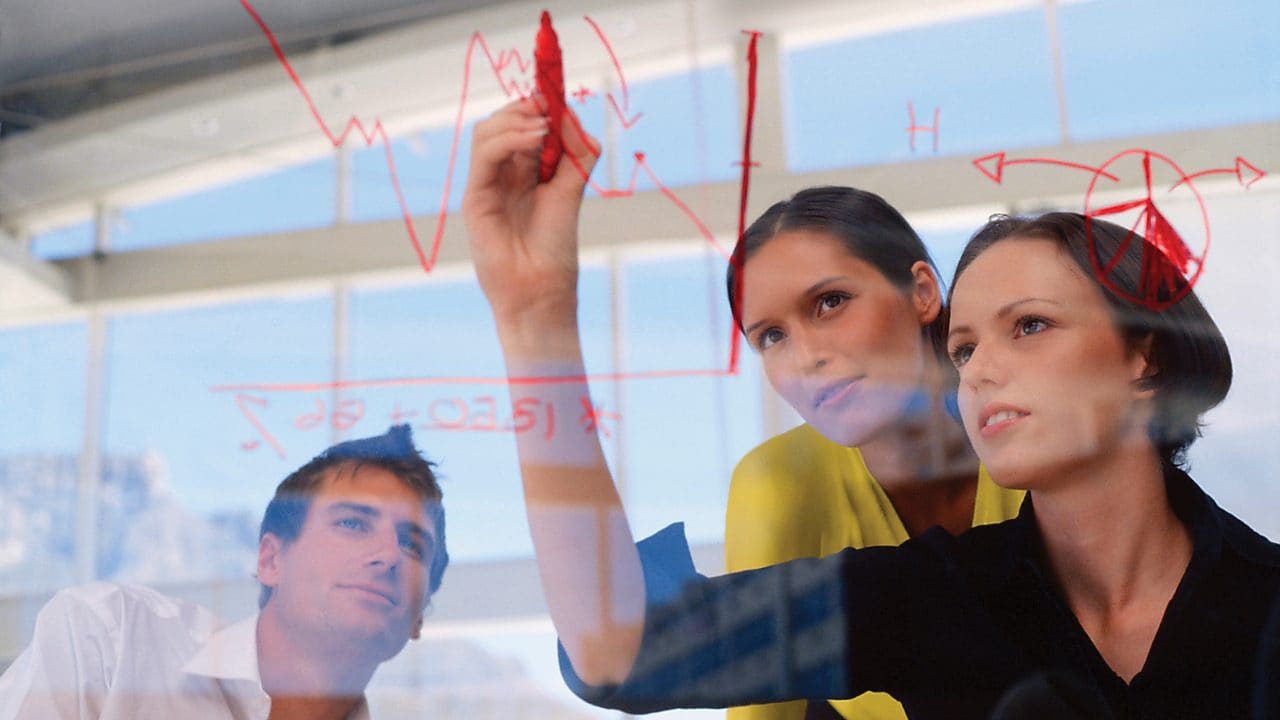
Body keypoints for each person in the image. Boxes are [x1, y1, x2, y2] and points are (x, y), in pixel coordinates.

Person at [461, 98, 1280, 718]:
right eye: (965, 349)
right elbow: (618, 649)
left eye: (1030, 325)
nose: (981, 370)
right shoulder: (932, 596)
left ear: (1144, 355)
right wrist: (536, 319)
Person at [724, 187, 1024, 720]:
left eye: (830, 302)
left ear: (922, 292)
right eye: (771, 337)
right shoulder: (776, 485)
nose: (806, 357)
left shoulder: (1031, 433)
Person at [0, 424, 448, 720]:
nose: (388, 554)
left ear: (418, 618)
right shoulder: (111, 641)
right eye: (352, 523)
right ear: (271, 561)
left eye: (413, 545)